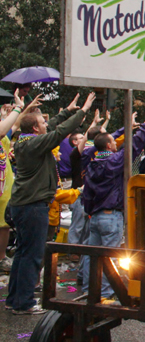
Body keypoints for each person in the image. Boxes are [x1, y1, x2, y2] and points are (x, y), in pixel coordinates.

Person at [6, 92, 94, 314]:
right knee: (33, 254)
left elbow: (52, 125)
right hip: (33, 205)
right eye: (42, 122)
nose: (47, 123)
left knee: (23, 252)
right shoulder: (34, 144)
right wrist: (83, 111)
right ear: (36, 128)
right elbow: (60, 132)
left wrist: (67, 110)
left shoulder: (25, 140)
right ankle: (23, 303)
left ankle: (14, 299)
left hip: (25, 204)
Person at [80, 107, 145, 301]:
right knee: (110, 258)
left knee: (91, 256)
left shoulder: (91, 161)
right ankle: (105, 294)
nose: (116, 143)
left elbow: (102, 139)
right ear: (110, 147)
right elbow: (133, 147)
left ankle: (89, 290)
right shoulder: (113, 162)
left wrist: (125, 128)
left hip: (94, 216)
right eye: (114, 142)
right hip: (111, 216)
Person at [0, 91, 41, 273]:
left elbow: (15, 124)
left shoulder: (5, 139)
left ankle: (1, 258)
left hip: (5, 189)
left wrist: (25, 108)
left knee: (3, 226)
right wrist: (17, 108)